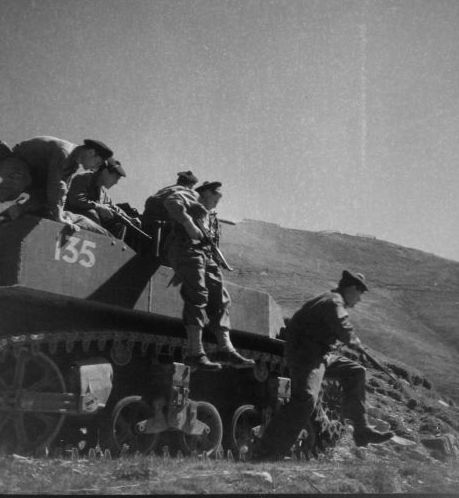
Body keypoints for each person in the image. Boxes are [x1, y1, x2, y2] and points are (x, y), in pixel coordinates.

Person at [253, 270, 394, 459]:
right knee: (304, 402)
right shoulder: (334, 301)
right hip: (306, 356)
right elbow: (342, 324)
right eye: (360, 294)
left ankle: (362, 430)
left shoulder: (331, 299)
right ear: (352, 289)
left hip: (322, 354)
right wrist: (356, 343)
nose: (359, 300)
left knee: (356, 372)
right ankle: (266, 453)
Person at [163, 180, 255, 371]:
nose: (218, 202)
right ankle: (195, 352)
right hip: (185, 248)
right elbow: (171, 202)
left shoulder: (211, 216)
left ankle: (225, 348)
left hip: (204, 254)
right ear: (206, 193)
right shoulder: (191, 196)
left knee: (220, 296)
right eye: (216, 196)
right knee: (197, 294)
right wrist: (188, 223)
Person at [0, 136, 113, 231]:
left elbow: (62, 191)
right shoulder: (64, 153)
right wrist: (59, 218)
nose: (95, 168)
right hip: (11, 163)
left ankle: (12, 213)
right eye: (98, 163)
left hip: (33, 175)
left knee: (54, 194)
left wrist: (61, 213)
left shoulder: (73, 164)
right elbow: (53, 185)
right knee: (26, 180)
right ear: (91, 153)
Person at [66, 158, 131, 237]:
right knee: (92, 213)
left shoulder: (103, 194)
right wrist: (98, 207)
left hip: (88, 232)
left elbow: (113, 208)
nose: (116, 182)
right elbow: (76, 200)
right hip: (71, 222)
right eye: (116, 178)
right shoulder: (82, 178)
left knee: (119, 226)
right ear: (105, 172)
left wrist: (129, 218)